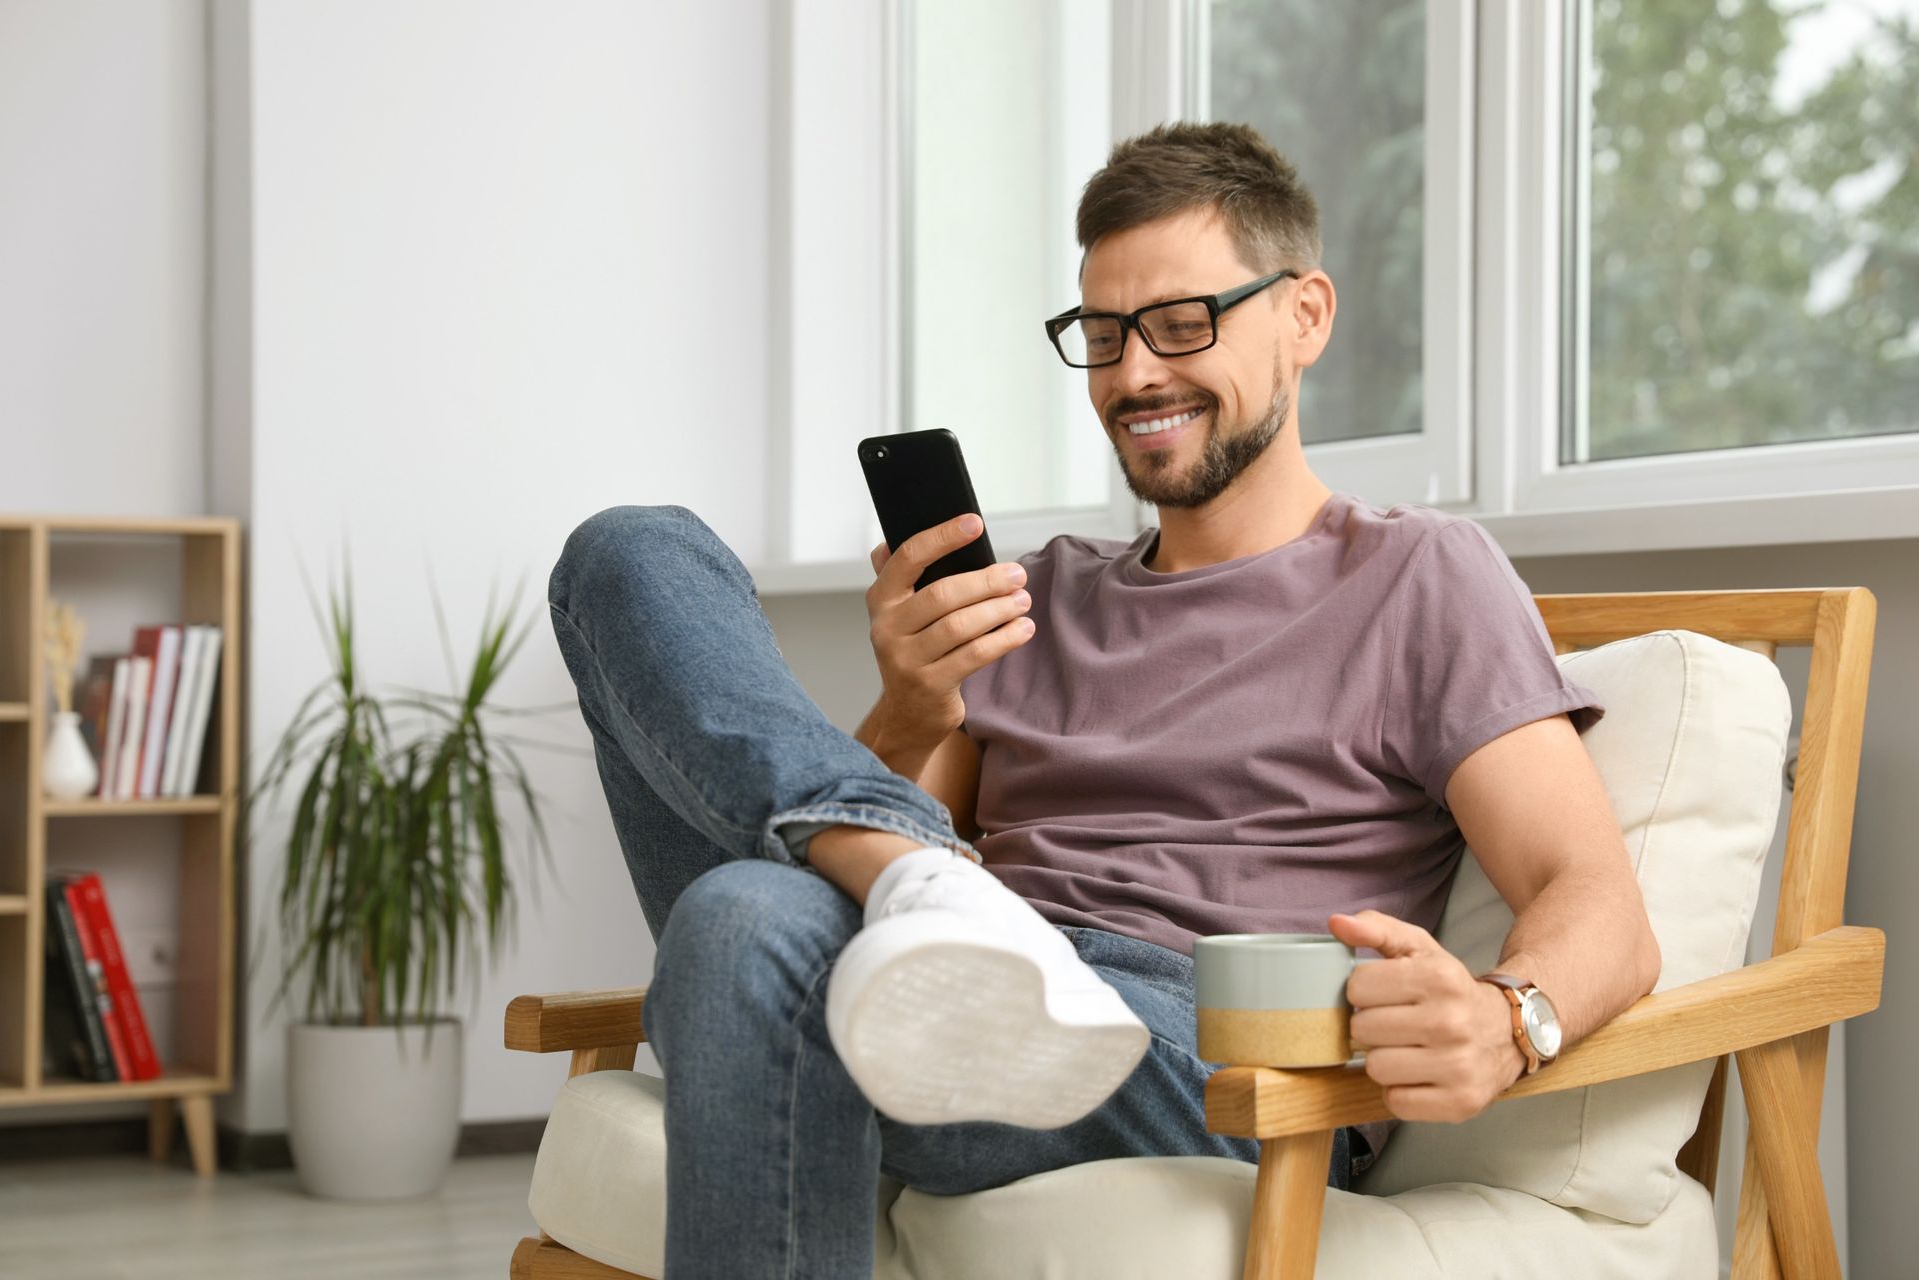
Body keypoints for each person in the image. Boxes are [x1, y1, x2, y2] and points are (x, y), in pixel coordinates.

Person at [547, 121, 1662, 1280]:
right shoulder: (1034, 595)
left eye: (1183, 323)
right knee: (629, 555)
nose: (1134, 374)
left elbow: (1599, 901)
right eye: (1104, 333)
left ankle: (932, 900)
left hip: (1203, 1041)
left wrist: (1508, 1016)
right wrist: (914, 709)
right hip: (953, 959)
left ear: (1306, 315)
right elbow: (834, 857)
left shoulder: (1418, 575)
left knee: (738, 917)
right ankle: (923, 886)